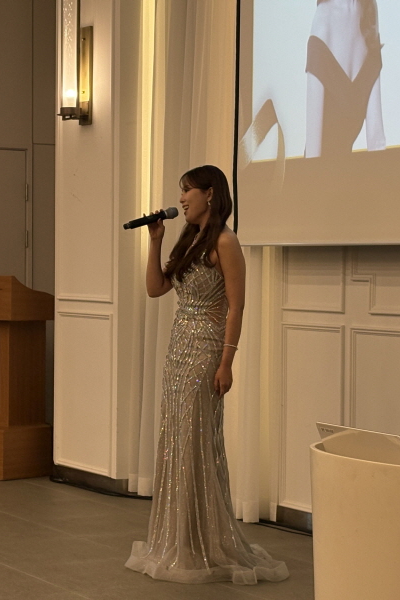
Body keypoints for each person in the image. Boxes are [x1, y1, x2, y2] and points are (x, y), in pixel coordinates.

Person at [125, 165, 289, 585]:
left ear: (210, 193)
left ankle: (204, 540)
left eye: (187, 191)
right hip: (178, 348)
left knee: (197, 440)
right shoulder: (189, 237)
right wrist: (155, 242)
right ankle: (181, 538)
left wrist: (226, 362)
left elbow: (236, 306)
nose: (181, 199)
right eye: (180, 192)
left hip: (206, 350)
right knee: (176, 439)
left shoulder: (224, 241)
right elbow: (155, 288)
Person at [305, 0, 386, 157]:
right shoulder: (323, 18)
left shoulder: (368, 18)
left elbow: (377, 141)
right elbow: (312, 154)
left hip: (343, 171)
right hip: (320, 171)